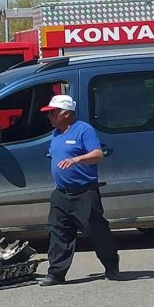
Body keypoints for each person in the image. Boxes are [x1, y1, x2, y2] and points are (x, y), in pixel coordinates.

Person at [37, 95, 120, 286]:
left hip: (85, 193)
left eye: (53, 113)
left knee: (96, 231)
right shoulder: (56, 134)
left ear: (66, 114)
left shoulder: (84, 130)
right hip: (61, 193)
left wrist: (76, 160)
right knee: (59, 233)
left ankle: (111, 263)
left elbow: (98, 155)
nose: (49, 117)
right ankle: (56, 274)